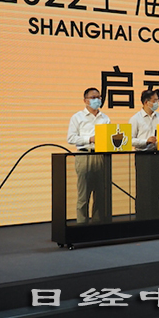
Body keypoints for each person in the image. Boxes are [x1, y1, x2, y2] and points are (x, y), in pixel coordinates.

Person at [67, 87, 111, 224]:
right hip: (84, 155)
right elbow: (71, 138)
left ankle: (98, 224)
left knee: (101, 193)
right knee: (84, 194)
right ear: (85, 100)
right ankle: (82, 224)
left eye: (98, 97)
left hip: (101, 156)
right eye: (93, 98)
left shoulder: (105, 118)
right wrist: (89, 139)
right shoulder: (77, 117)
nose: (97, 100)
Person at [129, 90, 159, 220]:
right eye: (155, 100)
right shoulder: (135, 119)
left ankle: (156, 217)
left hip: (157, 155)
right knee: (143, 188)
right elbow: (130, 140)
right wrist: (145, 141)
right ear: (146, 102)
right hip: (143, 156)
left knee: (156, 189)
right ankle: (142, 218)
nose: (157, 103)